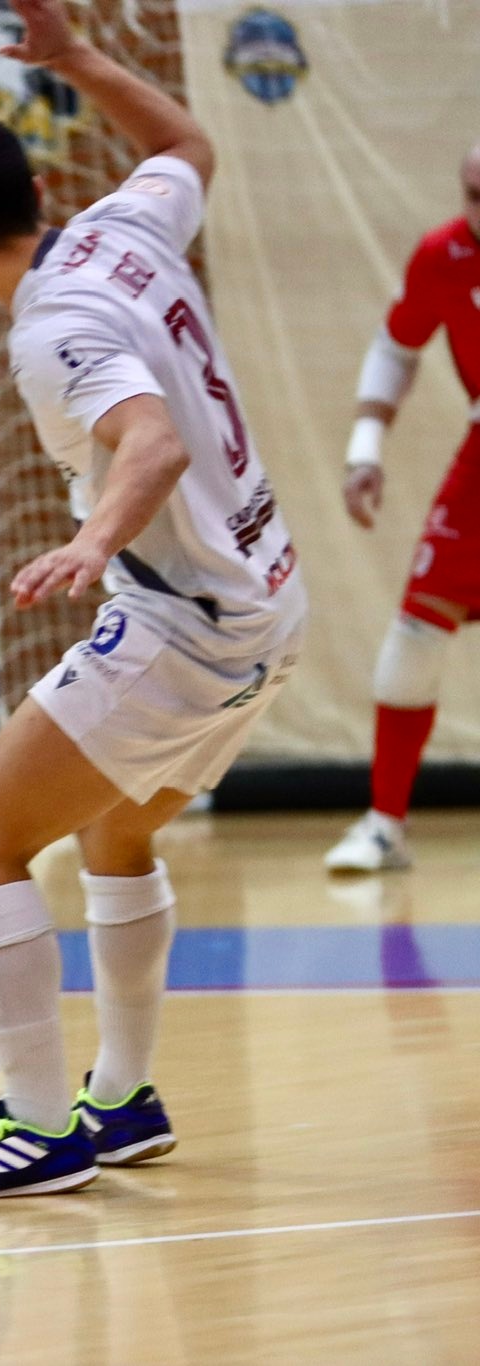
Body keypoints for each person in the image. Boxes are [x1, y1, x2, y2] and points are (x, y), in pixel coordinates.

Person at [0, 0, 308, 1198]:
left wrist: (89, 538)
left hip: (183, 621)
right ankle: (120, 1096)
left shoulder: (51, 323)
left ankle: (32, 1123)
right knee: (114, 829)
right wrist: (78, 60)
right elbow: (187, 148)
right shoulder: (116, 225)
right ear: (32, 186)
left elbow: (150, 442)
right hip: (266, 597)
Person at [324, 142, 480, 874]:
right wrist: (364, 449)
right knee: (415, 638)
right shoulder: (442, 255)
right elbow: (397, 345)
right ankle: (385, 825)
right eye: (474, 194)